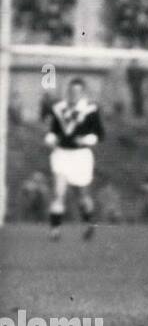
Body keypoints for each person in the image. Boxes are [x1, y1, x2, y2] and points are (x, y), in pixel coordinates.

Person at [44, 77, 105, 241]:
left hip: (81, 156)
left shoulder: (91, 110)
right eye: (71, 91)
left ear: (83, 93)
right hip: (62, 154)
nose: (73, 94)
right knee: (58, 193)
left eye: (77, 91)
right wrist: (50, 138)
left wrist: (85, 139)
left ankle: (89, 224)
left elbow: (100, 134)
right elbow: (53, 130)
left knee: (83, 196)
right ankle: (55, 231)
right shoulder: (59, 108)